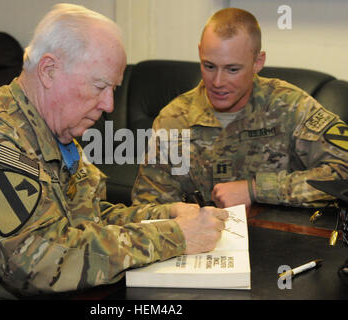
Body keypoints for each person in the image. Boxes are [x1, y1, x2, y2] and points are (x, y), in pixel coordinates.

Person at [0, 4, 228, 299]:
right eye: (99, 86)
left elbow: (84, 220)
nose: (109, 105)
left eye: (113, 89)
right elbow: (39, 262)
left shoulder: (53, 132)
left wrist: (166, 215)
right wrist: (174, 236)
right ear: (49, 70)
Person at [132, 7, 348, 209]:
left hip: (281, 239)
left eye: (232, 69)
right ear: (199, 53)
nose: (217, 82)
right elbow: (148, 208)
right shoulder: (173, 120)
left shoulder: (290, 106)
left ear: (258, 62)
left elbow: (343, 172)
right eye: (209, 66)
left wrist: (256, 189)